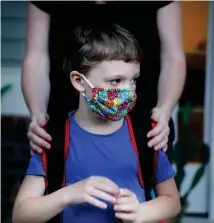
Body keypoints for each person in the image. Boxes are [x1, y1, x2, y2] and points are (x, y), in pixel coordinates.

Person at [13, 24, 180, 223]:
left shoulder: (146, 134)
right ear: (79, 81)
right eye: (116, 81)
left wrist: (140, 212)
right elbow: (21, 215)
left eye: (133, 80)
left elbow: (172, 202)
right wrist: (70, 194)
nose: (128, 90)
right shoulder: (53, 137)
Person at [22, 1, 186, 160]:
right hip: (63, 129)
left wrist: (164, 111)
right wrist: (38, 113)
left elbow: (173, 59)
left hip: (145, 130)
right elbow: (36, 59)